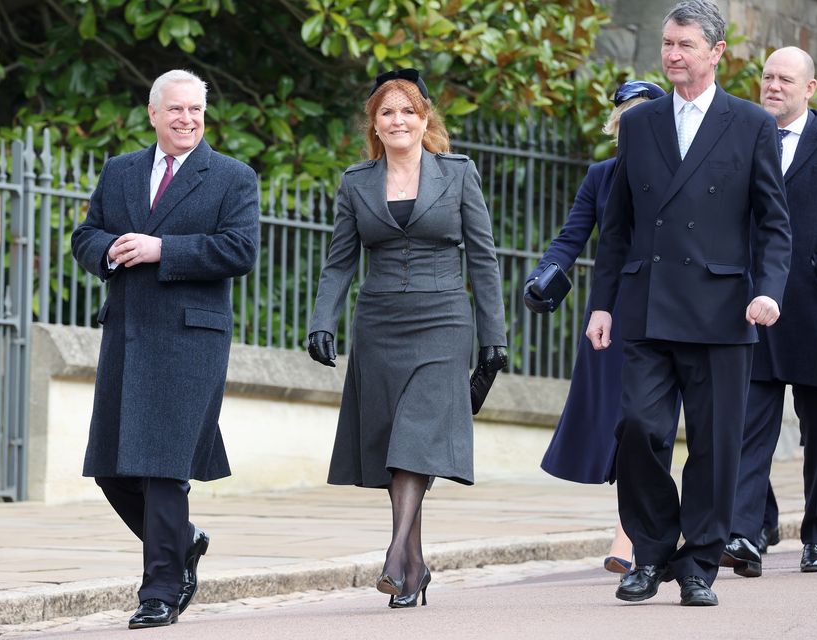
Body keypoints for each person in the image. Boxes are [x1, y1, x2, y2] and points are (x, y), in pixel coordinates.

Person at [585, 0, 792, 607]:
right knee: (639, 430)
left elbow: (773, 223)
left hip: (724, 309)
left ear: (717, 53)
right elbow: (617, 225)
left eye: (685, 46)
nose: (673, 55)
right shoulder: (642, 123)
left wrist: (768, 290)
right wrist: (602, 304)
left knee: (715, 443)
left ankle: (699, 563)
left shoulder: (750, 122)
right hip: (647, 306)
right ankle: (650, 553)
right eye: (668, 44)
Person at [307, 68, 507, 608]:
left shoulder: (458, 174)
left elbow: (483, 260)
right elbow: (339, 262)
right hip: (378, 325)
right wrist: (322, 320)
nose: (398, 120)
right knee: (398, 445)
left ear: (424, 120)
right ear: (375, 123)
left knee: (416, 434)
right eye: (386, 112)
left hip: (443, 321)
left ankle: (395, 555)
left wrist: (495, 337)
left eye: (408, 111)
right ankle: (414, 568)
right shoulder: (356, 182)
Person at [71, 69, 260, 629]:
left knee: (162, 469)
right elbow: (86, 236)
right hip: (128, 334)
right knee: (110, 468)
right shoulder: (121, 170)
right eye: (176, 110)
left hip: (190, 340)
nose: (187, 119)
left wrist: (161, 249)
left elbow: (241, 250)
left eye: (196, 110)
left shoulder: (232, 177)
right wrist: (109, 250)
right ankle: (186, 539)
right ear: (153, 114)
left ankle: (158, 592)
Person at [526, 79, 678, 575]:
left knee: (648, 424)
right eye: (622, 123)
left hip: (672, 315)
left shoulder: (683, 175)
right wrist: (545, 275)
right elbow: (572, 236)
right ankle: (634, 531)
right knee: (623, 423)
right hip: (610, 315)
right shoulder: (601, 175)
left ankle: (631, 535)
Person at [721, 47, 817, 578]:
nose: (773, 86)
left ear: (810, 87)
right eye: (767, 77)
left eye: (785, 79)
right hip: (754, 308)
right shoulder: (740, 136)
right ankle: (746, 533)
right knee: (750, 426)